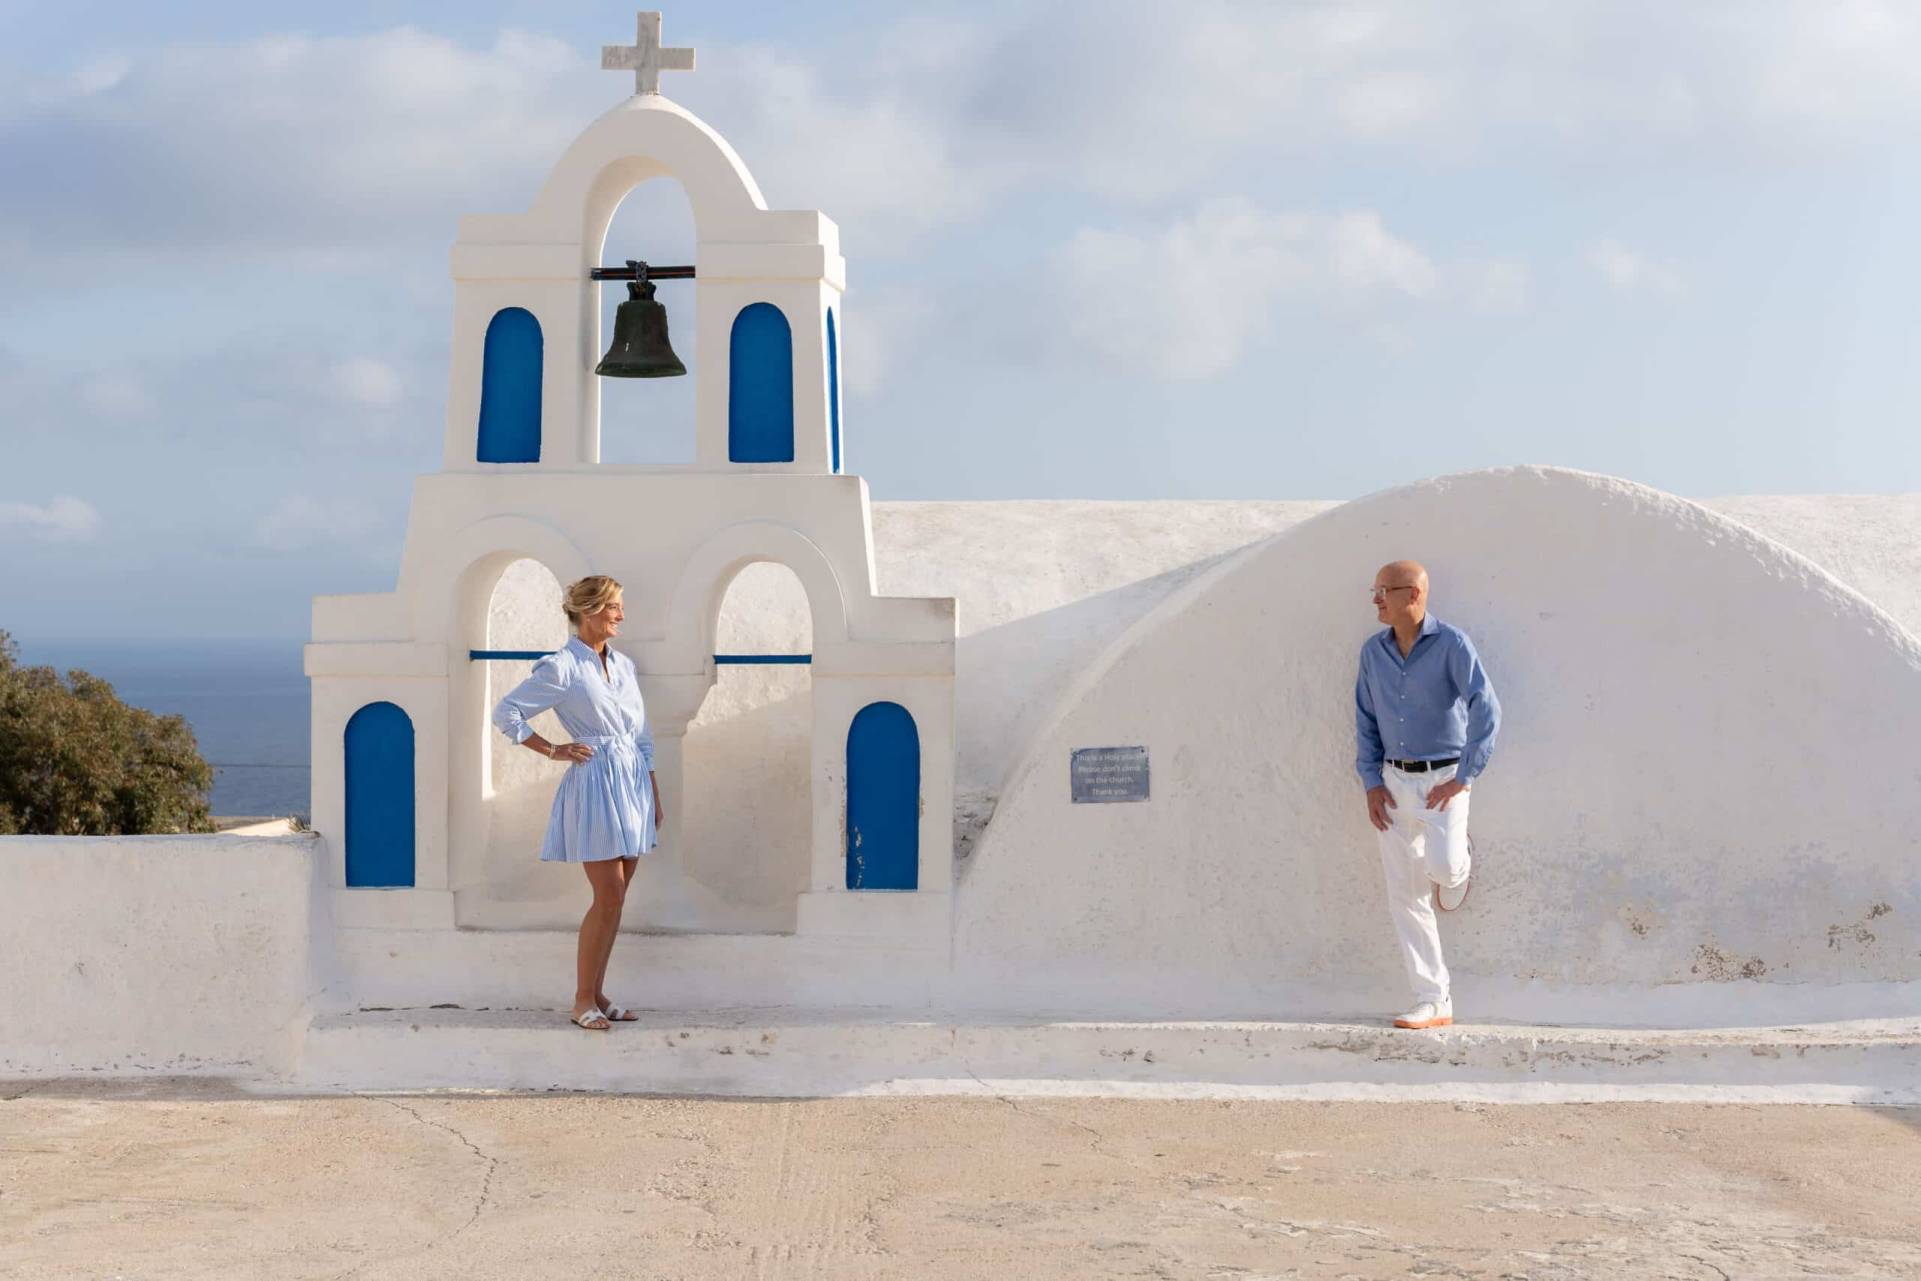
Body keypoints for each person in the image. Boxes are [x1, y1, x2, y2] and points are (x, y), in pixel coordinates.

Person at [492, 575, 663, 1031]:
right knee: (609, 893)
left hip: (631, 783)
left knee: (618, 898)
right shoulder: (562, 667)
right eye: (614, 607)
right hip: (595, 782)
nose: (621, 615)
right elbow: (506, 712)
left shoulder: (623, 666)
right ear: (588, 611)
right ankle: (581, 999)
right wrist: (554, 749)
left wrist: (653, 793)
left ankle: (599, 994)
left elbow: (641, 736)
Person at [1355, 560, 1501, 1030]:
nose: (1375, 599)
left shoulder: (1453, 644)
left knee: (1442, 867)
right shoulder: (1372, 653)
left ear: (1413, 595)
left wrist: (1463, 777)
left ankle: (1458, 860)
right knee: (1406, 893)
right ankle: (1433, 999)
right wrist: (1372, 782)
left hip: (1444, 781)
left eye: (1383, 591)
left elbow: (1486, 708)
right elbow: (1366, 719)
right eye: (1375, 590)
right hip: (1395, 783)